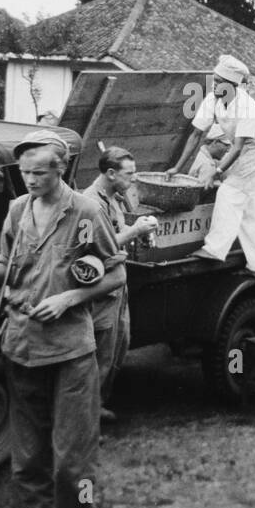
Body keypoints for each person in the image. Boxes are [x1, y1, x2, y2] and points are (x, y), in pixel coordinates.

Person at [0, 132, 126, 508]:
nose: (30, 180)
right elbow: (7, 271)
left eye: (39, 172)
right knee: (27, 460)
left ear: (61, 168)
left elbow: (116, 273)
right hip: (22, 347)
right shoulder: (18, 211)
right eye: (24, 173)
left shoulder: (86, 211)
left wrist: (70, 297)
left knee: (72, 464)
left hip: (71, 350)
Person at [165, 55, 255, 276]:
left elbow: (236, 148)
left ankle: (215, 249)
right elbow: (197, 134)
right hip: (242, 150)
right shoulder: (212, 99)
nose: (213, 85)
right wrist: (177, 167)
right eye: (213, 80)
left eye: (218, 82)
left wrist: (216, 174)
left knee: (229, 191)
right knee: (250, 208)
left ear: (232, 85)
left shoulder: (246, 107)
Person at [82, 148, 157, 424]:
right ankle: (86, 422)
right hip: (101, 286)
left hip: (117, 284)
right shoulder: (91, 202)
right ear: (111, 173)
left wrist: (140, 235)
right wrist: (136, 230)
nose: (133, 179)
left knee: (118, 345)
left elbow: (117, 231)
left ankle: (97, 404)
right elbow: (103, 245)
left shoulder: (113, 198)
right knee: (99, 354)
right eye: (129, 174)